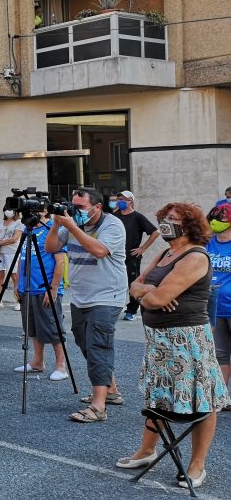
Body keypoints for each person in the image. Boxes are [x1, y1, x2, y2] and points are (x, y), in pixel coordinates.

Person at [118, 203, 229, 488]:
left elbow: (152, 299)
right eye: (164, 218)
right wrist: (148, 290)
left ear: (189, 225)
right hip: (159, 339)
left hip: (188, 340)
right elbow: (135, 285)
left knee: (200, 400)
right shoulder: (167, 252)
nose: (166, 223)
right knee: (157, 395)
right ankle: (146, 450)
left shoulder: (195, 256)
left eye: (173, 219)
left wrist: (148, 293)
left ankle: (197, 464)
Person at [45, 187, 128, 423]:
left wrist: (70, 226)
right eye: (72, 205)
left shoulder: (112, 225)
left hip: (107, 295)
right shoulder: (71, 225)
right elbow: (51, 248)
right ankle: (110, 390)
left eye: (80, 207)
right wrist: (56, 223)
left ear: (97, 207)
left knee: (98, 344)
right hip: (81, 296)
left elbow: (100, 250)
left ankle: (98, 405)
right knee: (84, 342)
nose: (74, 211)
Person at [15, 210, 69, 381]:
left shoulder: (53, 229)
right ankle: (38, 362)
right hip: (27, 287)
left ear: (45, 211)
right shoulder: (27, 230)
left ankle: (61, 366)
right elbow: (21, 258)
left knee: (53, 328)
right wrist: (17, 283)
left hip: (44, 287)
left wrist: (53, 288)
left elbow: (60, 261)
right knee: (32, 328)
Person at [114, 191, 161, 321]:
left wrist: (142, 248)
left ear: (130, 201)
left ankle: (132, 310)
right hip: (115, 256)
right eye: (118, 199)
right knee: (114, 282)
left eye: (122, 199)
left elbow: (155, 233)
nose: (119, 201)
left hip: (131, 256)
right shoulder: (114, 216)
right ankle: (113, 307)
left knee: (132, 283)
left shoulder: (137, 217)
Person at [207, 204, 231, 404]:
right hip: (214, 308)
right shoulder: (207, 244)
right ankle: (222, 396)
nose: (215, 221)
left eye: (221, 218)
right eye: (214, 217)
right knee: (220, 354)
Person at [0, 209, 24, 310]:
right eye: (7, 209)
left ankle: (19, 301)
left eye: (11, 209)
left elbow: (14, 239)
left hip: (12, 252)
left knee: (14, 277)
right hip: (0, 253)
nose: (8, 211)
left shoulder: (19, 222)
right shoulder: (0, 222)